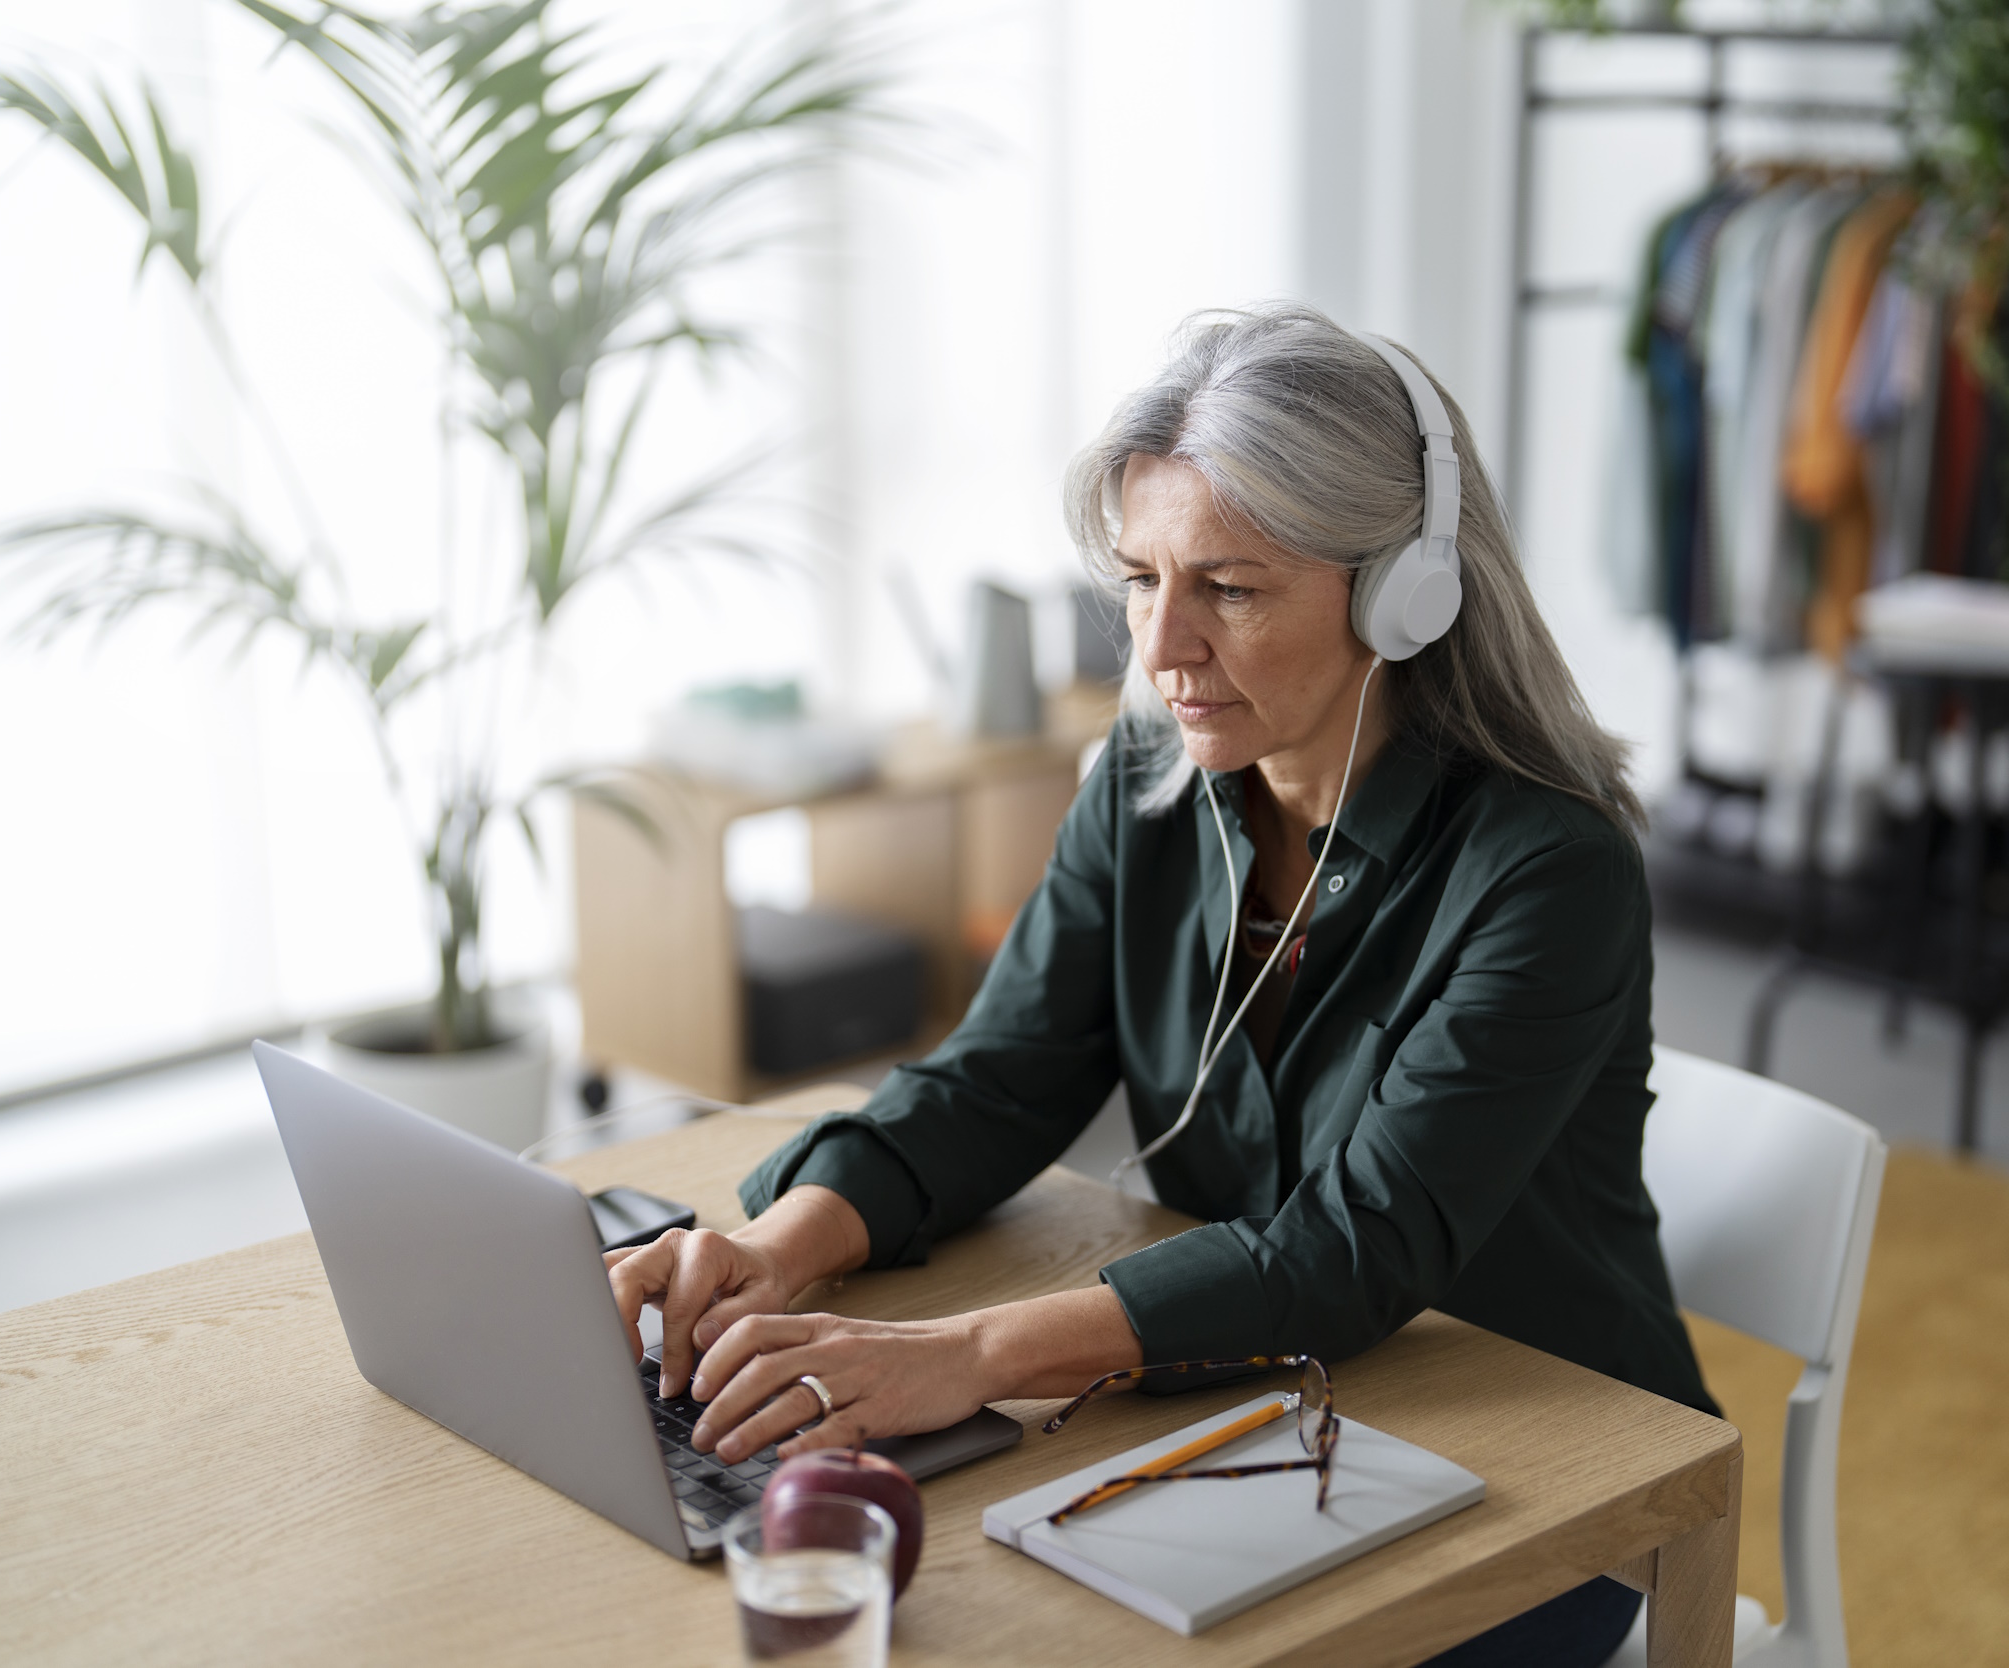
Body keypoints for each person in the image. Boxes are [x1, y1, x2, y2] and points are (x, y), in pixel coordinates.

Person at [606, 303, 1712, 1666]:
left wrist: (965, 1357)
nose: (1159, 647)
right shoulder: (1144, 792)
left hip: (1548, 1459)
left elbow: (1347, 1255)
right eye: (1139, 579)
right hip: (1261, 1406)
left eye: (1228, 589)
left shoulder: (1549, 873)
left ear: (1401, 593)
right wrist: (781, 1252)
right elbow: (999, 1077)